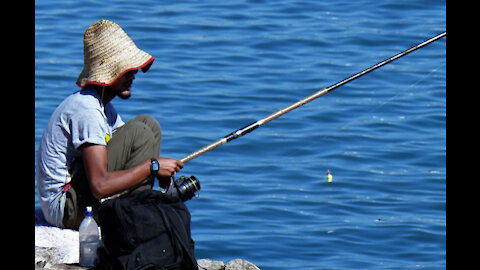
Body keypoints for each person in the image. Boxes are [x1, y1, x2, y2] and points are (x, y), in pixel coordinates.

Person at [36, 19, 184, 230]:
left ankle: (137, 207)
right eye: (127, 70)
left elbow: (129, 153)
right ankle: (134, 217)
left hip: (78, 193)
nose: (134, 75)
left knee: (148, 124)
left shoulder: (102, 107)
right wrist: (152, 167)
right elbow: (99, 186)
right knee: (140, 133)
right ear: (108, 72)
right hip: (64, 208)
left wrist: (157, 172)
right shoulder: (87, 110)